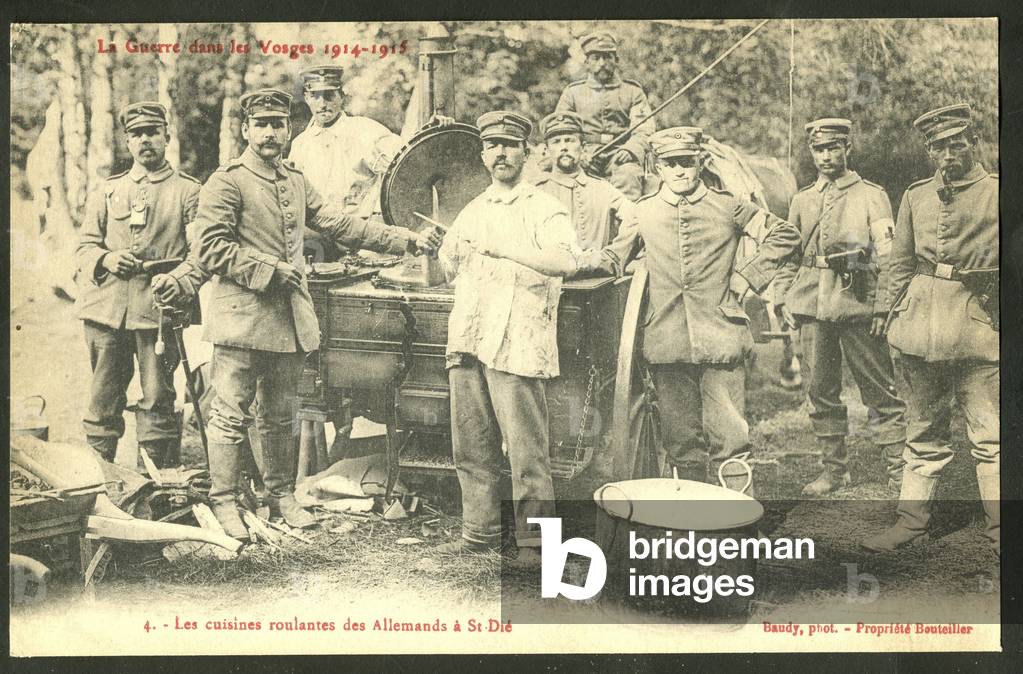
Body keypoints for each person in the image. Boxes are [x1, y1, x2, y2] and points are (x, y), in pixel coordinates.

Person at [195, 89, 441, 538]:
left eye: (279, 124)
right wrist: (269, 271)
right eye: (262, 124)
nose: (271, 133)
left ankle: (281, 496)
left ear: (289, 129)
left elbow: (339, 223)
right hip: (242, 321)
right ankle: (224, 501)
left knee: (280, 416)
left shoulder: (293, 179)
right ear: (246, 130)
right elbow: (209, 248)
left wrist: (403, 238)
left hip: (288, 321)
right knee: (231, 414)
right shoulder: (226, 181)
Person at [581, 127, 801, 483]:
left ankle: (735, 522)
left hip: (721, 339)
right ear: (658, 167)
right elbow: (614, 258)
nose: (681, 171)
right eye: (671, 163)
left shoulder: (729, 206)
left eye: (688, 162)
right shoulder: (643, 213)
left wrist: (748, 275)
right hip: (666, 342)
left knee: (730, 440)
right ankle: (693, 521)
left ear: (700, 163)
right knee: (681, 443)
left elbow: (786, 235)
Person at [434, 111, 580, 562]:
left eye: (510, 145)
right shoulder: (474, 209)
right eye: (493, 145)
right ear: (483, 155)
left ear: (527, 153)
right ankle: (479, 532)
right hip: (470, 337)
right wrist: (441, 251)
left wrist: (505, 249)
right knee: (471, 445)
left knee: (526, 451)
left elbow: (566, 262)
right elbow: (447, 269)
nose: (501, 153)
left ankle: (536, 545)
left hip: (516, 340)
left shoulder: (544, 207)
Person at [863, 104, 999, 554]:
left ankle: (1002, 530)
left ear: (971, 141)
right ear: (928, 150)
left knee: (991, 436)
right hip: (919, 330)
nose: (948, 152)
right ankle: (911, 522)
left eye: (956, 141)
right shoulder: (916, 196)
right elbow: (900, 261)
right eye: (938, 145)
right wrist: (889, 313)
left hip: (981, 329)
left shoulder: (998, 191)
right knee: (921, 432)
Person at [774, 118, 907, 496]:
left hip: (858, 304)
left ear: (848, 147)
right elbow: (789, 257)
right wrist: (784, 295)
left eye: (834, 147)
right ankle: (834, 471)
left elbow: (889, 255)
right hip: (812, 306)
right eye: (819, 149)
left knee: (879, 389)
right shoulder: (802, 200)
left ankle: (898, 471)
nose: (826, 156)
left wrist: (883, 307)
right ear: (811, 152)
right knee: (819, 391)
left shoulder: (870, 195)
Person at [75, 101, 207, 468]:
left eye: (152, 132)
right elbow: (85, 245)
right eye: (137, 134)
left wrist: (178, 280)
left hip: (159, 312)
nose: (145, 140)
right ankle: (99, 481)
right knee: (103, 398)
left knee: (157, 399)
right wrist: (106, 258)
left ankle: (155, 483)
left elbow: (202, 254)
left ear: (166, 136)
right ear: (127, 141)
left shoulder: (188, 192)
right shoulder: (107, 190)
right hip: (107, 310)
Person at [288, 65, 404, 260]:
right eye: (316, 96)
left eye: (329, 95)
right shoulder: (300, 145)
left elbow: (406, 163)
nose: (322, 103)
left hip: (362, 237)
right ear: (307, 98)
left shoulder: (366, 131)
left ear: (342, 97)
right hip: (319, 240)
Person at [555, 32, 654, 200]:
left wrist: (631, 149)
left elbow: (644, 128)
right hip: (584, 154)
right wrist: (576, 153)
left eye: (607, 57)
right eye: (595, 58)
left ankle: (627, 224)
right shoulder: (573, 93)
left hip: (621, 153)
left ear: (616, 61)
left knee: (629, 176)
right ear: (586, 62)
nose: (602, 63)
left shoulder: (633, 92)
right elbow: (561, 130)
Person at [534, 110, 633, 250]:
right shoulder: (538, 192)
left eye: (570, 140)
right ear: (548, 149)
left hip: (600, 271)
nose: (563, 147)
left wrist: (616, 255)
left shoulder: (603, 189)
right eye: (556, 142)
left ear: (583, 147)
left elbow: (635, 219)